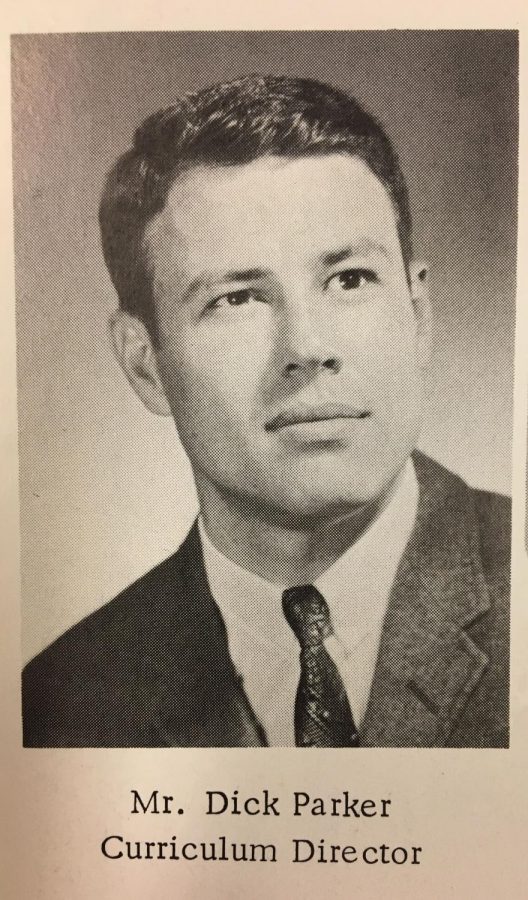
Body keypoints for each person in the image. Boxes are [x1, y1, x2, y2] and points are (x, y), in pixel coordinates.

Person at [22, 75, 510, 748]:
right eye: (237, 299)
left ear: (417, 315)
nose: (308, 348)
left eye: (349, 280)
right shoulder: (62, 703)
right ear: (145, 364)